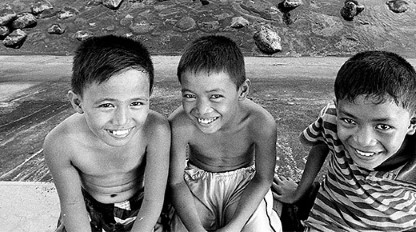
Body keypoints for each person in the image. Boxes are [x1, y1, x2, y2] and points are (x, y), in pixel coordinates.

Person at [273, 51, 416, 231]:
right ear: (338, 108)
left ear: (412, 122)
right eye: (349, 120)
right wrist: (299, 192)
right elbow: (320, 145)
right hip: (330, 217)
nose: (363, 141)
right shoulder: (331, 120)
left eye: (383, 126)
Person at [43, 34, 171, 232]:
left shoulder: (156, 130)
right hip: (89, 211)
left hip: (142, 209)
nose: (122, 120)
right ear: (78, 103)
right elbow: (72, 205)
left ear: (149, 97)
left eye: (136, 103)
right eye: (107, 105)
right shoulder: (61, 143)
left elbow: (154, 199)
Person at [168, 35, 282, 232]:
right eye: (189, 95)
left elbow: (263, 178)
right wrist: (195, 228)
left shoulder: (260, 123)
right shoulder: (179, 124)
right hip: (195, 185)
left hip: (244, 184)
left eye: (215, 96)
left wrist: (235, 226)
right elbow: (177, 182)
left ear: (242, 90)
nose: (202, 109)